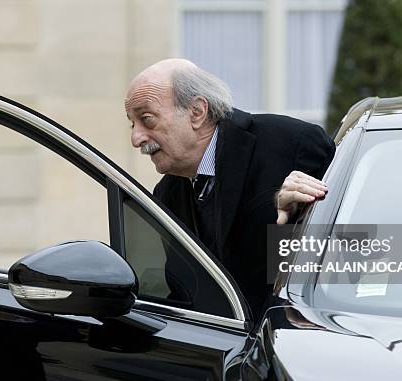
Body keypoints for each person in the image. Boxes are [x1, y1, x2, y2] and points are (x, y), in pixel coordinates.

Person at [125, 59, 335, 319]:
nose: (136, 138)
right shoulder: (167, 193)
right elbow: (184, 296)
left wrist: (285, 224)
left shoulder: (293, 143)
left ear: (197, 112)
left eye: (147, 120)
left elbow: (354, 262)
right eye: (132, 124)